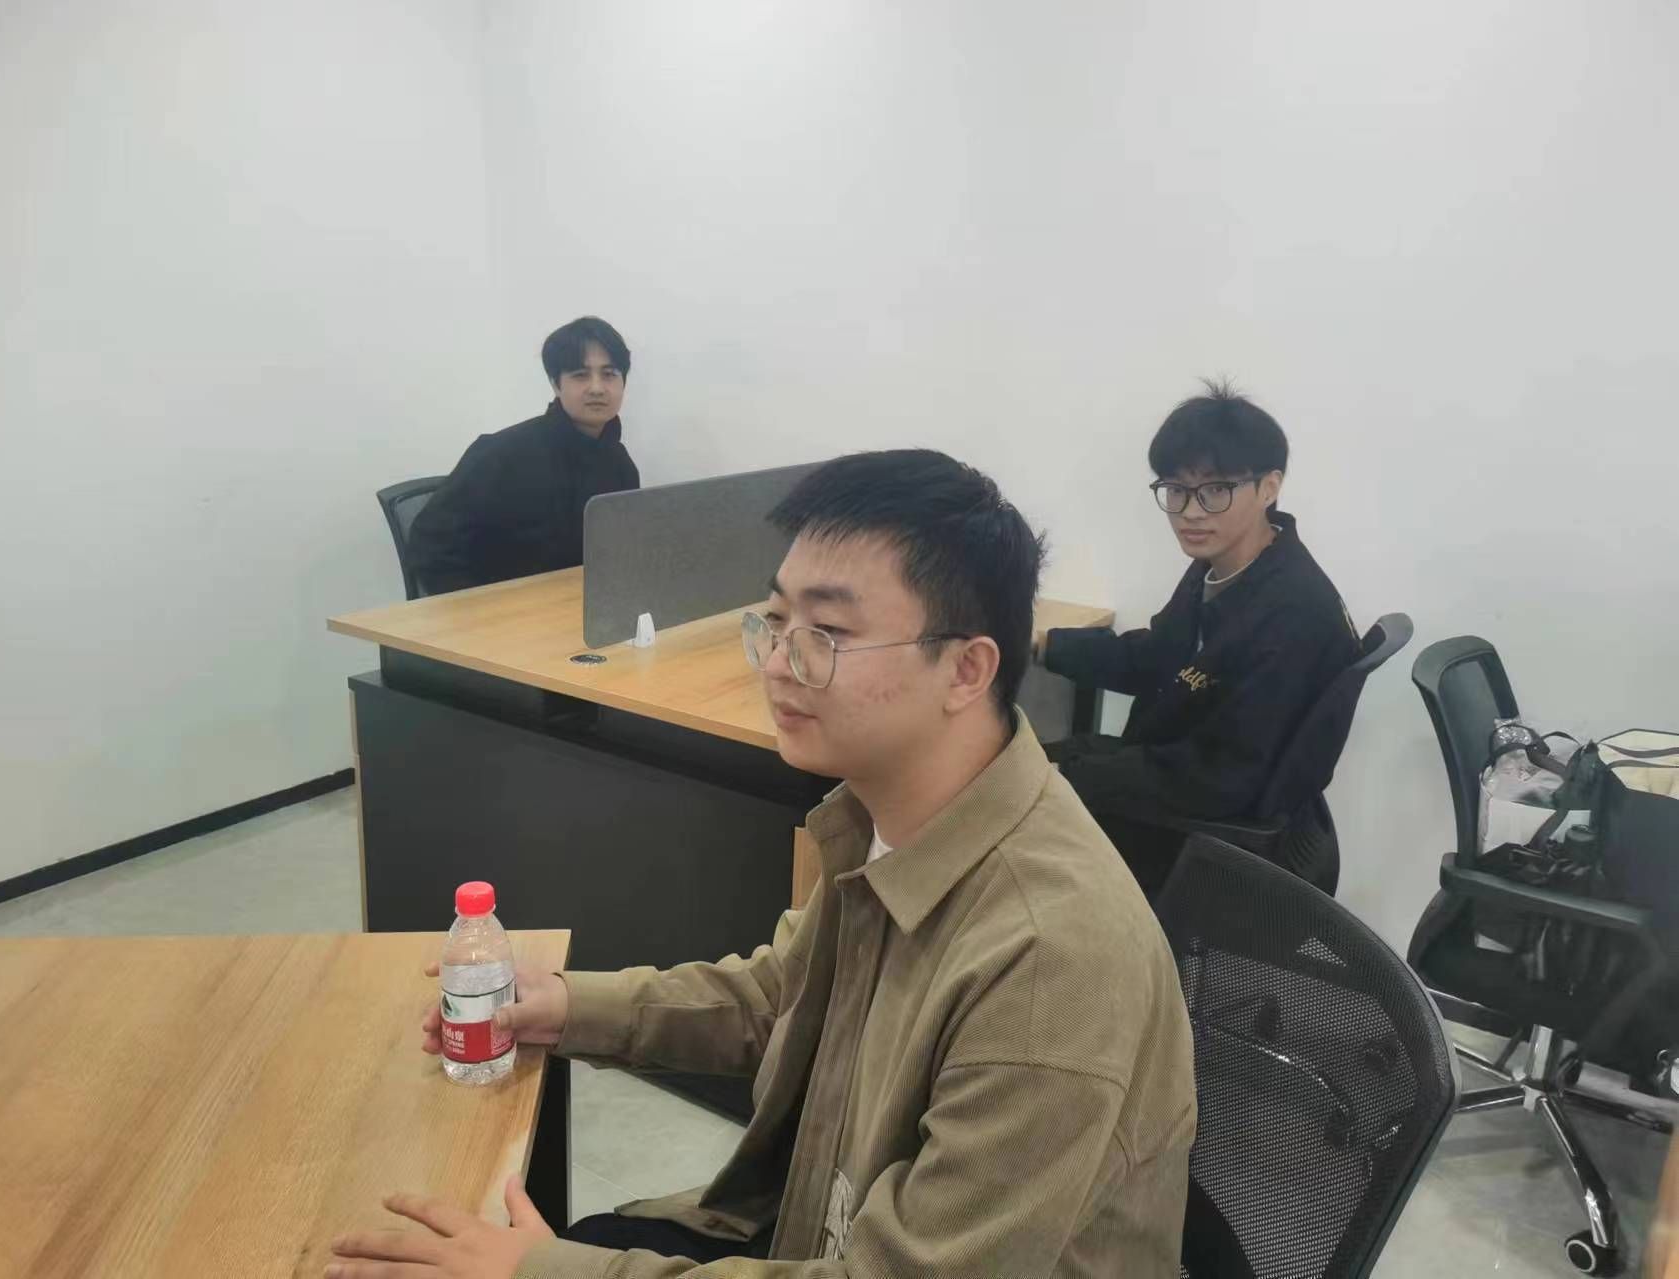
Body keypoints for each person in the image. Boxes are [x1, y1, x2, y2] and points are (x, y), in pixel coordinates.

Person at [327, 450, 1196, 1278]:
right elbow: (782, 997)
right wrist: (567, 1005)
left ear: (966, 669)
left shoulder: (1050, 958)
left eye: (827, 632)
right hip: (804, 1226)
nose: (777, 664)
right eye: (776, 622)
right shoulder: (890, 814)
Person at [1038, 380, 1358, 898]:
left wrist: (1072, 773)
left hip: (1207, 840)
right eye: (1176, 490)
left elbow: (1224, 775)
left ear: (1269, 487)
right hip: (1180, 783)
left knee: (1008, 788)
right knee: (1014, 763)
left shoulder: (1294, 614)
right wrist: (1046, 644)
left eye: (1215, 490)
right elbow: (1157, 656)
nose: (1190, 511)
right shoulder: (1226, 564)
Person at [407, 317, 640, 595]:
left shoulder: (619, 464)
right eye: (580, 375)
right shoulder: (501, 454)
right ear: (556, 384)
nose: (597, 388)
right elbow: (429, 543)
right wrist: (479, 607)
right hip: (503, 611)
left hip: (578, 608)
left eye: (609, 374)